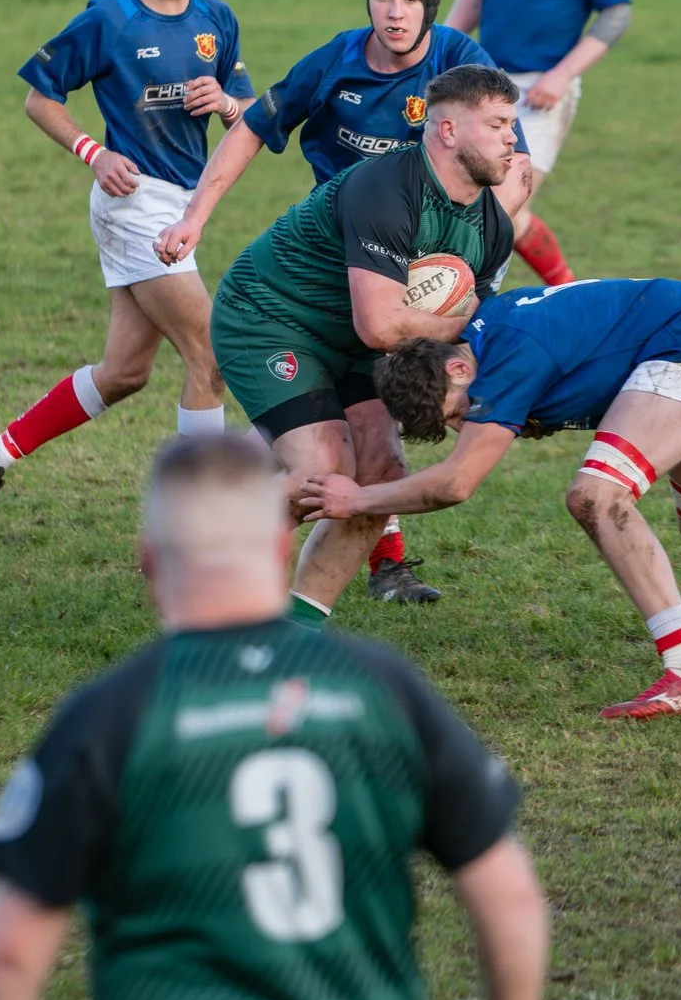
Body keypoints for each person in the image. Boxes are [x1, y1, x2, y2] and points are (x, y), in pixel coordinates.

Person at [0, 434, 548, 1000]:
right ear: (281, 547)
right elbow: (510, 895)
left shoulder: (109, 717)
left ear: (151, 560)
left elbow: (7, 951)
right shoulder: (383, 688)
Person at [158, 0, 518, 605]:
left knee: (373, 461)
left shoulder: (460, 66)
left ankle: (347, 584)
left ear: (432, 7)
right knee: (321, 462)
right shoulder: (337, 61)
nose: (396, 12)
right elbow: (252, 126)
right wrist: (196, 215)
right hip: (320, 275)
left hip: (394, 282)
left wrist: (466, 243)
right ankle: (208, 568)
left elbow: (506, 166)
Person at [298, 277, 681, 719]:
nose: (462, 424)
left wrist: (358, 499)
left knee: (597, 498)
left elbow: (456, 483)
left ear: (457, 369)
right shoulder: (486, 344)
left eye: (457, 413)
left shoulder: (510, 352)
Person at [0, 0, 250, 532]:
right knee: (213, 357)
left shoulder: (217, 20)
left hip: (181, 204)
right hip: (133, 203)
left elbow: (248, 113)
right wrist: (94, 151)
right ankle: (200, 518)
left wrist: (227, 105)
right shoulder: (109, 20)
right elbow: (40, 97)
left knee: (124, 373)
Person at [208, 65, 526, 626]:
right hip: (273, 317)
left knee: (379, 476)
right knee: (325, 467)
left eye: (513, 124)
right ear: (448, 131)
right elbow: (383, 326)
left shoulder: (493, 227)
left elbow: (464, 337)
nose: (513, 139)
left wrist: (485, 402)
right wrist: (463, 320)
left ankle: (300, 628)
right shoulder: (385, 186)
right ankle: (208, 574)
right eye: (498, 123)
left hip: (356, 342)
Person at [444, 0, 630, 288]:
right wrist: (441, 47)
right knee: (471, 199)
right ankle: (566, 289)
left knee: (501, 206)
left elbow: (615, 14)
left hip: (538, 92)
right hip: (478, 82)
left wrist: (561, 76)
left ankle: (477, 310)